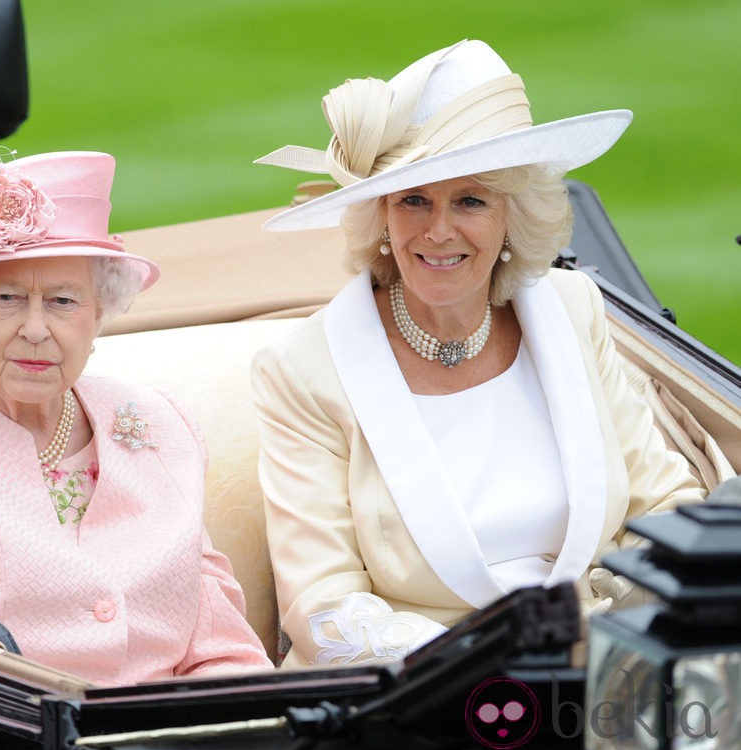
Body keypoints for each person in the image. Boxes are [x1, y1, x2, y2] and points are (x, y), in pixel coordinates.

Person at [250, 40, 717, 668]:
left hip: (601, 672)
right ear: (381, 218)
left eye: (470, 200)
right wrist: (490, 657)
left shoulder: (572, 308)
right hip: (411, 701)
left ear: (512, 217)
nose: (438, 231)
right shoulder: (301, 370)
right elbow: (323, 609)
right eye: (413, 199)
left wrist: (596, 635)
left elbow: (666, 507)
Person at [0, 149, 272, 685]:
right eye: (8, 297)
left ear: (98, 314)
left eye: (63, 301)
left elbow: (222, 649)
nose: (36, 328)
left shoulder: (159, 423)